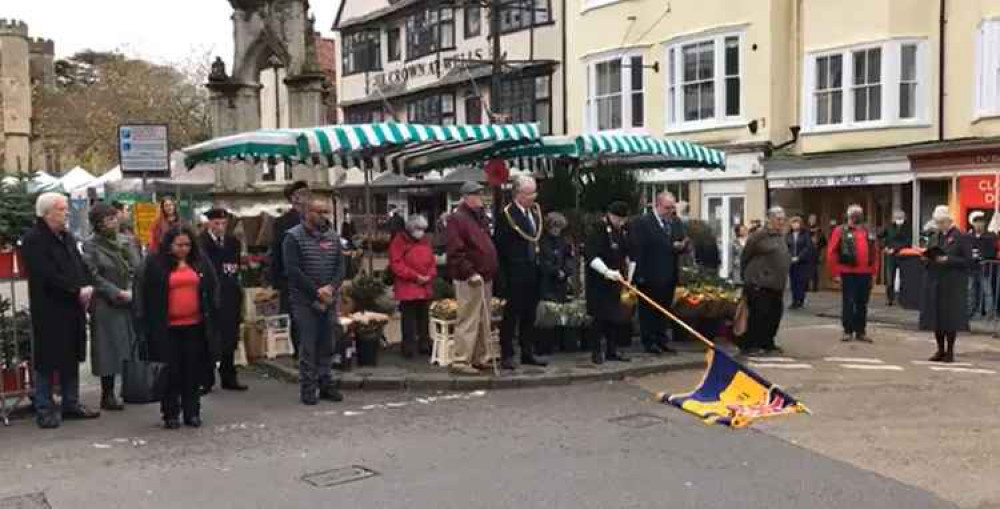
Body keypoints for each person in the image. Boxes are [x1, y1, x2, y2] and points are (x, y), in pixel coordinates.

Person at [22, 193, 101, 429]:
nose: (66, 213)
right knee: (47, 360)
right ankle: (44, 408)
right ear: (46, 213)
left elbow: (78, 264)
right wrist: (75, 290)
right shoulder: (34, 239)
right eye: (61, 209)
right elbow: (45, 274)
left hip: (72, 306)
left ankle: (71, 403)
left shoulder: (66, 237)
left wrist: (86, 286)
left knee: (71, 356)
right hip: (49, 308)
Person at [142, 226, 220, 429]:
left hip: (195, 326)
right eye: (179, 245)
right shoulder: (154, 263)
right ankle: (170, 413)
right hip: (166, 328)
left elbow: (212, 288)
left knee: (192, 371)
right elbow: (144, 294)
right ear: (169, 245)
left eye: (187, 245)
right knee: (170, 372)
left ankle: (192, 412)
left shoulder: (200, 261)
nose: (183, 249)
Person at [283, 198, 345, 405]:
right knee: (308, 346)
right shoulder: (293, 237)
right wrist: (316, 291)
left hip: (328, 299)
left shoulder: (333, 236)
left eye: (326, 212)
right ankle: (308, 388)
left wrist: (331, 287)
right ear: (308, 213)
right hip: (304, 301)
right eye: (320, 212)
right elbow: (293, 271)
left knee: (328, 343)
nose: (324, 216)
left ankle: (325, 383)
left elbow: (340, 267)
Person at [82, 203, 141, 412]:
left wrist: (135, 290)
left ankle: (133, 388)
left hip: (131, 299)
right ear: (98, 224)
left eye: (115, 218)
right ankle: (107, 394)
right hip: (107, 301)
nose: (114, 222)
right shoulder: (91, 245)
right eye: (109, 219)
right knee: (107, 348)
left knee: (131, 345)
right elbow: (92, 275)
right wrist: (116, 292)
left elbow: (138, 267)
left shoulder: (128, 241)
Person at [445, 182, 498, 375]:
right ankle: (461, 359)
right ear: (467, 197)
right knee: (468, 319)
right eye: (477, 195)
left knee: (484, 319)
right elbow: (455, 250)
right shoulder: (457, 219)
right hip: (470, 278)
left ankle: (479, 357)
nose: (481, 198)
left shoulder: (479, 218)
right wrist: (469, 272)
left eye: (481, 194)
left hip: (484, 275)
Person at [494, 175, 547, 369]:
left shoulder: (534, 212)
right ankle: (507, 353)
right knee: (511, 316)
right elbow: (500, 249)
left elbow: (537, 238)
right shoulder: (507, 215)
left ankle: (527, 351)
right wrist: (503, 279)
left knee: (529, 315)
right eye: (530, 193)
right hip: (515, 272)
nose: (534, 197)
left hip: (533, 270)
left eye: (534, 192)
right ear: (518, 194)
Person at [629, 191, 688, 355]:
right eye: (667, 208)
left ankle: (662, 339)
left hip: (669, 274)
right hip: (649, 274)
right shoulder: (642, 223)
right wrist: (638, 275)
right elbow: (637, 248)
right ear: (657, 205)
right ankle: (649, 341)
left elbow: (683, 241)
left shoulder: (675, 222)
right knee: (648, 311)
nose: (670, 212)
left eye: (672, 208)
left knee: (664, 309)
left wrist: (682, 247)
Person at [199, 208, 248, 392]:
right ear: (209, 223)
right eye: (216, 223)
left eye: (223, 224)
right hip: (209, 294)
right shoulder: (201, 242)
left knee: (230, 337)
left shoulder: (233, 243)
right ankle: (206, 379)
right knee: (209, 337)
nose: (220, 227)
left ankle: (229, 376)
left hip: (229, 293)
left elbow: (235, 269)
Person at [920, 206, 973, 363]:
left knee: (950, 319)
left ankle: (950, 351)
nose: (940, 225)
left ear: (949, 221)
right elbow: (931, 253)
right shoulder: (936, 236)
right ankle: (940, 349)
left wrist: (949, 260)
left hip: (953, 283)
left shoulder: (960, 236)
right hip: (936, 281)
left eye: (942, 222)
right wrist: (926, 258)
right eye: (937, 222)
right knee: (937, 317)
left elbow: (968, 261)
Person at [585, 201, 633, 365]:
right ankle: (596, 352)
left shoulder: (621, 231)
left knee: (614, 317)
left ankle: (612, 350)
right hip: (599, 280)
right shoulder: (597, 229)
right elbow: (591, 255)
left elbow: (626, 253)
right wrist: (606, 272)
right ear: (612, 216)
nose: (622, 223)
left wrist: (628, 276)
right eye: (620, 219)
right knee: (599, 318)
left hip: (616, 280)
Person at [740, 207, 792, 355]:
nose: (782, 222)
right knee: (759, 315)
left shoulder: (780, 236)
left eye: (783, 219)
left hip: (777, 284)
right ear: (770, 219)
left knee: (774, 315)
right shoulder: (759, 236)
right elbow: (746, 256)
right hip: (759, 283)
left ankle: (768, 343)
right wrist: (747, 276)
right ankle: (752, 345)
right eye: (778, 219)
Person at [827, 204, 879, 343]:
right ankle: (848, 330)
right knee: (848, 301)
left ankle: (861, 331)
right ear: (849, 216)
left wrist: (874, 272)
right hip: (847, 272)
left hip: (865, 273)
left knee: (862, 302)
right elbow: (832, 252)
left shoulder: (868, 231)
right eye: (854, 214)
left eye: (859, 214)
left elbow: (874, 252)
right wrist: (835, 273)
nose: (857, 216)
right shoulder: (840, 231)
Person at [271, 180, 311, 357]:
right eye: (303, 194)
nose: (308, 198)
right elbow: (276, 251)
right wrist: (277, 279)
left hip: (315, 276)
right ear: (294, 199)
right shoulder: (283, 223)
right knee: (297, 316)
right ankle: (300, 353)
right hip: (292, 278)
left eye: (308, 194)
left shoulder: (316, 218)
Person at [389, 214, 436, 358]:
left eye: (423, 229)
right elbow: (396, 264)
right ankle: (408, 346)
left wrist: (429, 275)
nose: (421, 232)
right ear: (410, 229)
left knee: (424, 317)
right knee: (408, 318)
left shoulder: (425, 241)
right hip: (407, 286)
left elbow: (432, 261)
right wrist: (415, 276)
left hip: (424, 285)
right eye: (419, 229)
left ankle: (424, 343)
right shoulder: (399, 241)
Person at [538, 211, 577, 354]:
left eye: (559, 228)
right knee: (547, 311)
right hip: (547, 281)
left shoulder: (563, 241)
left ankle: (559, 341)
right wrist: (555, 271)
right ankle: (546, 344)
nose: (557, 230)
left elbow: (569, 258)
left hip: (561, 282)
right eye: (555, 227)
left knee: (560, 310)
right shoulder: (543, 241)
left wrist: (566, 271)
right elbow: (543, 260)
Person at [966, 211, 998, 318]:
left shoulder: (991, 236)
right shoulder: (968, 236)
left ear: (984, 223)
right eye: (976, 222)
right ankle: (970, 312)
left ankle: (990, 313)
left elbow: (992, 251)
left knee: (987, 291)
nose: (978, 225)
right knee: (971, 291)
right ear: (973, 224)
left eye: (981, 222)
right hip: (972, 268)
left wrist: (982, 255)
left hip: (985, 268)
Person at [879, 210, 912, 307]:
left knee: (904, 279)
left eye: (900, 218)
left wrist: (895, 249)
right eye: (897, 218)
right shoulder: (889, 226)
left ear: (904, 218)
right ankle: (890, 299)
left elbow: (908, 242)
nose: (899, 220)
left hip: (903, 255)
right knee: (890, 279)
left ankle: (903, 299)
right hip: (891, 256)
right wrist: (884, 247)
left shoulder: (908, 227)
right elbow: (880, 236)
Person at [787, 216, 815, 309]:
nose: (795, 225)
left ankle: (800, 300)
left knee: (801, 282)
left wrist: (799, 257)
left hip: (802, 262)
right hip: (791, 262)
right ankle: (794, 301)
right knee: (793, 282)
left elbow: (808, 247)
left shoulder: (805, 234)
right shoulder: (788, 235)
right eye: (793, 223)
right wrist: (790, 257)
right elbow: (786, 247)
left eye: (797, 223)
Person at [807, 214, 827, 291]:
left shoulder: (819, 231)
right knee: (806, 270)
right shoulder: (805, 230)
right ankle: (806, 287)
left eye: (813, 219)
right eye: (811, 219)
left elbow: (824, 242)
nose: (812, 221)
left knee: (814, 270)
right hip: (806, 252)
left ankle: (815, 287)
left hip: (815, 252)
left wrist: (818, 244)